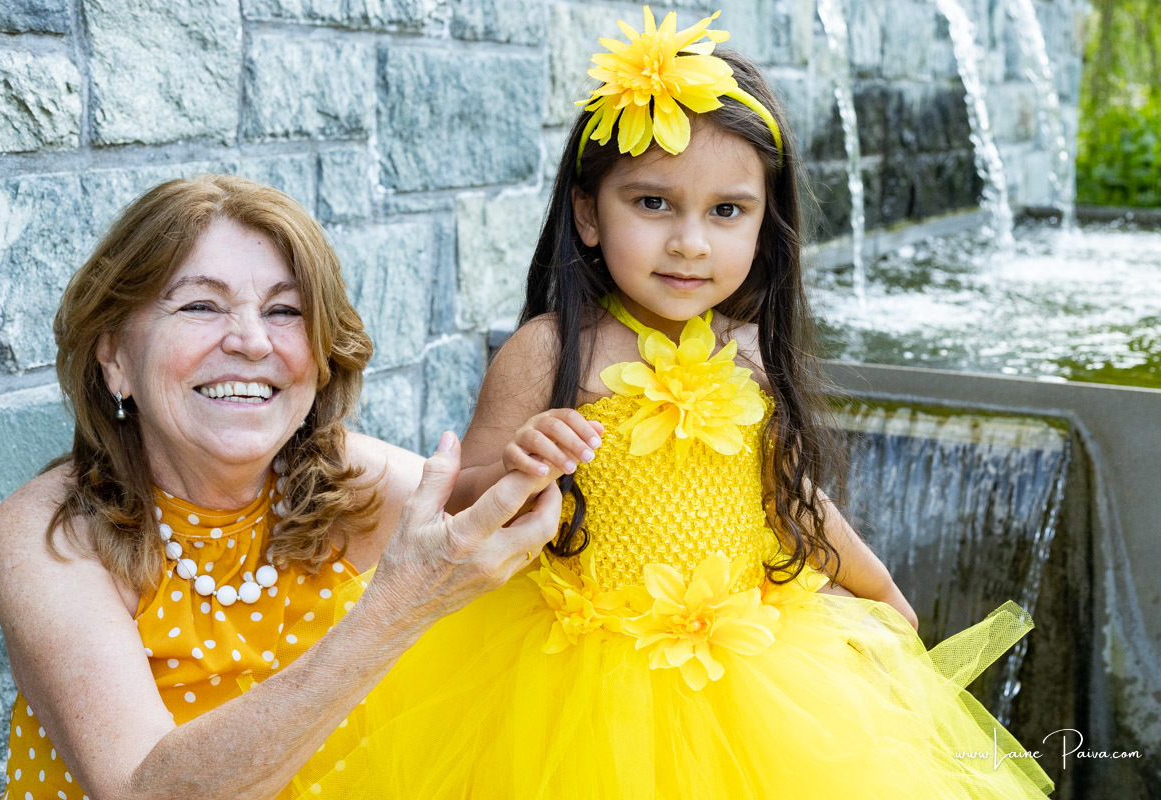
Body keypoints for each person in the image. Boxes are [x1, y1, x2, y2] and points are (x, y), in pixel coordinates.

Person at [266, 7, 1059, 798]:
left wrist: (875, 585)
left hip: (752, 669)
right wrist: (517, 467)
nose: (690, 242)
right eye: (653, 204)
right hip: (574, 680)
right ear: (587, 212)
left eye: (726, 211)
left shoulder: (748, 351)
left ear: (763, 223)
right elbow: (460, 503)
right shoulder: (549, 349)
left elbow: (782, 497)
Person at [0, 174, 564, 800]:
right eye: (201, 306)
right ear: (115, 355)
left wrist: (542, 456)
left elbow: (482, 510)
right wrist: (402, 603)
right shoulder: (48, 536)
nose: (252, 341)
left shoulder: (340, 480)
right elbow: (141, 791)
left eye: (284, 311)